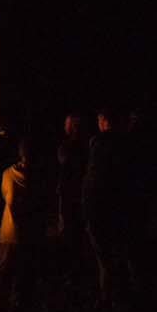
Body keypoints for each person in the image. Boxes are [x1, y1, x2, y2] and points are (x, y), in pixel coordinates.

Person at [83, 110, 133, 312]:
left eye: (99, 120)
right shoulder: (127, 143)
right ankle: (118, 297)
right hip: (118, 207)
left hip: (101, 208)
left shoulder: (100, 143)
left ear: (104, 121)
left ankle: (110, 299)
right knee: (117, 254)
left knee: (105, 257)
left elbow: (94, 180)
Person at [0, 141, 45, 312]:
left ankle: (1, 308)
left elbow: (6, 197)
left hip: (10, 232)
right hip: (29, 233)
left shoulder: (8, 174)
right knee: (24, 273)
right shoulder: (39, 177)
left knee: (6, 272)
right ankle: (19, 308)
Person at [55, 114, 88, 285]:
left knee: (69, 230)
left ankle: (73, 270)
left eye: (67, 123)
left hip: (70, 194)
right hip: (76, 193)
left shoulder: (69, 147)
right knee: (76, 230)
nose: (64, 126)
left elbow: (66, 164)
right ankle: (77, 268)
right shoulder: (84, 145)